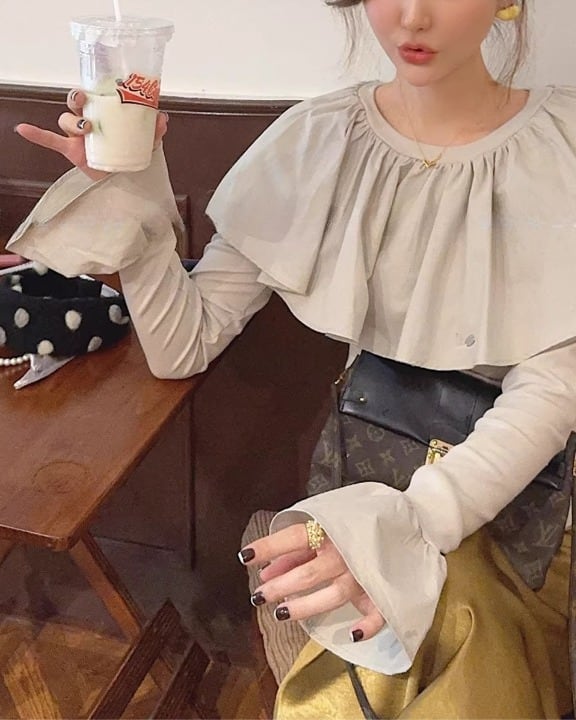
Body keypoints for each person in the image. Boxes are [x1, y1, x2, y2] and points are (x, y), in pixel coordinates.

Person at [9, 0, 576, 716]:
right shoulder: (319, 139)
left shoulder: (561, 145)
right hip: (365, 475)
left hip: (525, 503)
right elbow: (184, 344)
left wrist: (411, 524)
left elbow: (552, 389)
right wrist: (134, 184)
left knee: (453, 644)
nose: (412, 16)